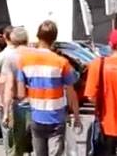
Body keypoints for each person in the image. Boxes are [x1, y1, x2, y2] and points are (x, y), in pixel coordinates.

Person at [17, 21, 81, 156]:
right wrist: (76, 116)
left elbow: (21, 93)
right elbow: (71, 93)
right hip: (57, 117)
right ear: (54, 38)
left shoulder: (24, 60)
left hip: (36, 116)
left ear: (37, 36)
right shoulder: (61, 62)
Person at [0, 26, 33, 156]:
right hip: (37, 102)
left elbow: (9, 87)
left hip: (19, 103)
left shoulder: (11, 58)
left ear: (12, 40)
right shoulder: (36, 54)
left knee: (17, 144)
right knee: (37, 142)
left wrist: (6, 112)